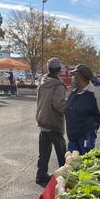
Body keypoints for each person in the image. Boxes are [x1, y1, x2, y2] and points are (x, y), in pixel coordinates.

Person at [35, 57, 67, 185]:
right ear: (59, 70)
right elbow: (58, 104)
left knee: (43, 152)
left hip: (42, 120)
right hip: (53, 122)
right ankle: (64, 178)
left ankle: (41, 176)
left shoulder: (42, 81)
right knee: (62, 153)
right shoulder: (58, 85)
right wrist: (69, 107)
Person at [65, 64, 100, 155]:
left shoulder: (94, 93)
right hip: (72, 135)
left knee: (85, 161)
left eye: (74, 75)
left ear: (81, 76)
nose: (73, 78)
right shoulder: (74, 92)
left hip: (86, 136)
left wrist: (91, 128)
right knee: (71, 162)